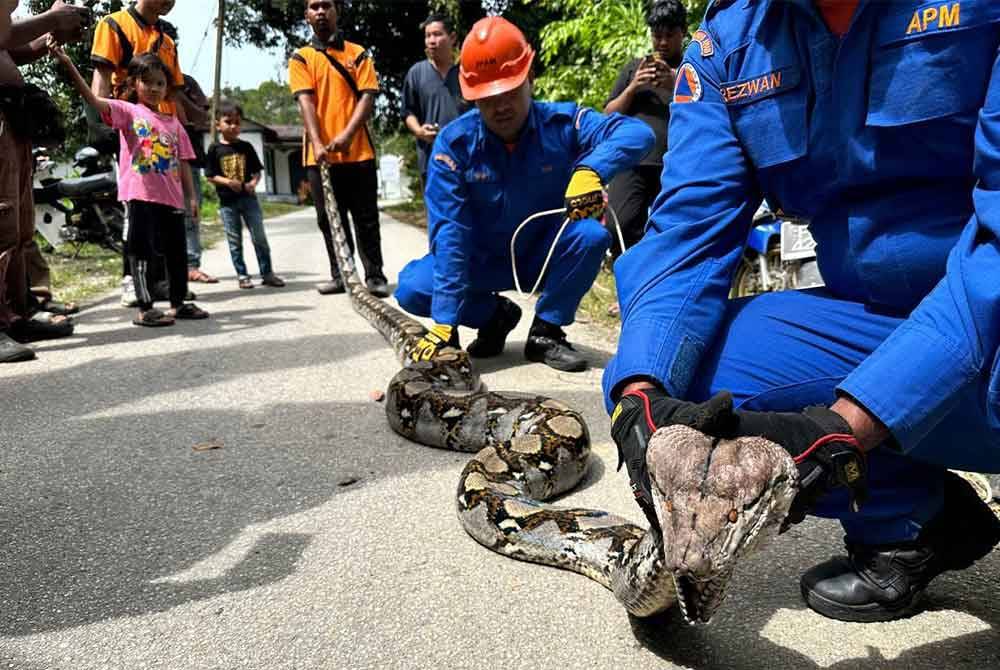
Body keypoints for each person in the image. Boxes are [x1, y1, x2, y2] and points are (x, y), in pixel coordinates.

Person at [605, 0, 1000, 623]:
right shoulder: (727, 49)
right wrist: (639, 390)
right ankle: (915, 521)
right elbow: (687, 233)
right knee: (703, 379)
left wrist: (846, 425)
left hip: (989, 316)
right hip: (878, 324)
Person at [395, 17, 654, 373]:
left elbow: (637, 134)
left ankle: (547, 330)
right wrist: (444, 321)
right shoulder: (453, 146)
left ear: (529, 78)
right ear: (471, 96)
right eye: (487, 99)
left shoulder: (564, 123)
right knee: (412, 288)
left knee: (592, 234)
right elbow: (450, 234)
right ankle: (495, 316)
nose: (500, 106)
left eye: (509, 92)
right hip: (479, 261)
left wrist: (592, 170)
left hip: (540, 257)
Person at [52, 44, 208, 327]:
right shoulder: (128, 112)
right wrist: (68, 65)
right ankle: (146, 307)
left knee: (176, 253)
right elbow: (93, 98)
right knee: (142, 251)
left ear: (167, 88)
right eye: (146, 81)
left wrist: (192, 197)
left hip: (172, 199)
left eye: (160, 83)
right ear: (134, 84)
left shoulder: (174, 124)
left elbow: (184, 162)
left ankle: (178, 303)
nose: (153, 88)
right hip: (140, 196)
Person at [89, 0, 196, 306]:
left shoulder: (167, 40)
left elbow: (173, 91)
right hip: (131, 130)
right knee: (136, 215)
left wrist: (187, 130)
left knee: (164, 218)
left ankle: (159, 281)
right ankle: (130, 281)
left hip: (164, 135)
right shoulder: (114, 24)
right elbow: (102, 77)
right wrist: (101, 126)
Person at [0, 0, 89, 363]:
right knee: (1, 220)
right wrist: (50, 18)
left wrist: (54, 30)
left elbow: (11, 46)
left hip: (11, 115)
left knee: (19, 222)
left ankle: (18, 313)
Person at [290, 0, 389, 298]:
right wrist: (319, 143)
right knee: (329, 219)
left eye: (327, 5)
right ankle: (341, 275)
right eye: (314, 6)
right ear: (307, 15)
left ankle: (375, 276)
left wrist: (347, 135)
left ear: (337, 11)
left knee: (366, 218)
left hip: (359, 153)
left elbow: (368, 97)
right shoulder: (301, 58)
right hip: (318, 157)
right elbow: (305, 101)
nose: (321, 11)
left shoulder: (357, 53)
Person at [603, 0, 685, 259]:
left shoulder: (691, 70)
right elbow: (607, 115)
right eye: (656, 35)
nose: (662, 42)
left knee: (675, 233)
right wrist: (633, 88)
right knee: (620, 228)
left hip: (676, 164)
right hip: (632, 163)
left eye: (669, 35)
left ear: (683, 33)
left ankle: (665, 291)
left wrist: (675, 85)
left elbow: (709, 107)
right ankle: (630, 292)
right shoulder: (633, 68)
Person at [205, 100, 285, 290]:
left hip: (249, 200)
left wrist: (253, 184)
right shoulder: (214, 149)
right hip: (227, 203)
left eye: (237, 122)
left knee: (259, 237)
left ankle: (267, 273)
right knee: (234, 240)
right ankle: (242, 275)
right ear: (218, 125)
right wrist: (228, 182)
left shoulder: (246, 147)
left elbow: (257, 171)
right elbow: (210, 175)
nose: (233, 126)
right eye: (228, 121)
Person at [401, 13, 467, 189]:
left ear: (452, 38)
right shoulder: (416, 73)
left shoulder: (466, 73)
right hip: (432, 162)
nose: (431, 40)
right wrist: (420, 131)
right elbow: (408, 111)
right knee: (437, 214)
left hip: (467, 160)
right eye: (428, 36)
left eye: (437, 34)